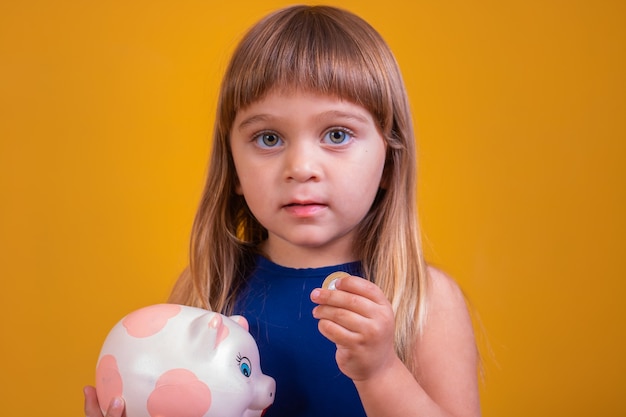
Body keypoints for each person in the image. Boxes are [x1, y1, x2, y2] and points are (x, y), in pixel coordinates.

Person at [84, 5, 481, 417]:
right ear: (233, 166)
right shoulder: (208, 288)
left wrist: (380, 372)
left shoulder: (426, 299)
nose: (300, 168)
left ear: (390, 161)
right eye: (269, 138)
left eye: (337, 134)